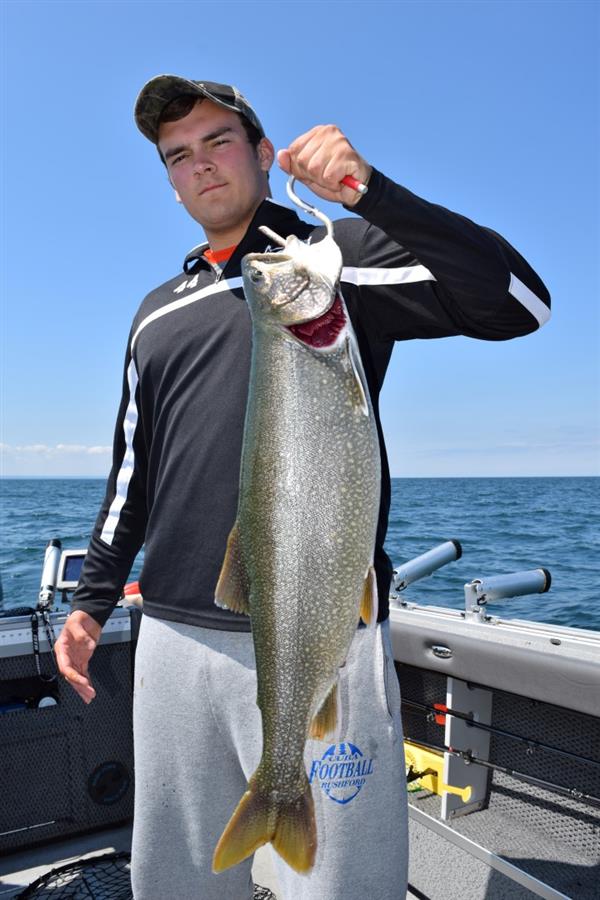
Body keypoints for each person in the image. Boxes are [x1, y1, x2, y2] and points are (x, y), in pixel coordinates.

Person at [54, 75, 551, 900]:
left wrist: (374, 193)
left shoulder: (331, 262)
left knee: (340, 886)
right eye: (178, 156)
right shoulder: (155, 312)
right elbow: (133, 471)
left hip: (326, 629)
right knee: (174, 881)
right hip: (174, 640)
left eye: (218, 142)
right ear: (170, 180)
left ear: (260, 151)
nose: (201, 166)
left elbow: (520, 303)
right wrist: (91, 601)